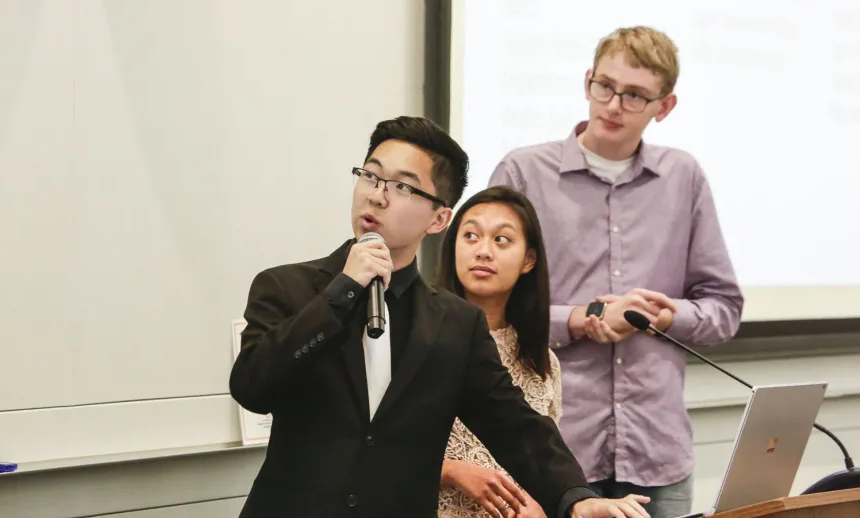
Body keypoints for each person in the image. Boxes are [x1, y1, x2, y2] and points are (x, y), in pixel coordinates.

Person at [230, 115, 651, 518]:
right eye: (371, 176)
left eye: (402, 186)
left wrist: (575, 498)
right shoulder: (286, 288)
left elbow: (515, 424)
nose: (377, 194)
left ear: (439, 218)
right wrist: (342, 291)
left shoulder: (456, 323)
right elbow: (253, 386)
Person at [488, 27, 745, 518]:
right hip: (554, 450)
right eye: (604, 86)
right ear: (588, 80)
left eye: (634, 95)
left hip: (657, 453)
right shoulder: (524, 174)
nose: (612, 105)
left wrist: (666, 317)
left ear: (663, 106)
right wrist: (584, 318)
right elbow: (486, 308)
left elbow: (724, 309)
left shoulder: (683, 178)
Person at [434, 186, 561, 518]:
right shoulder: (415, 338)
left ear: (529, 260)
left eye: (501, 240)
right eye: (471, 236)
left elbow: (543, 464)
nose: (483, 251)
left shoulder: (542, 361)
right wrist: (452, 471)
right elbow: (373, 454)